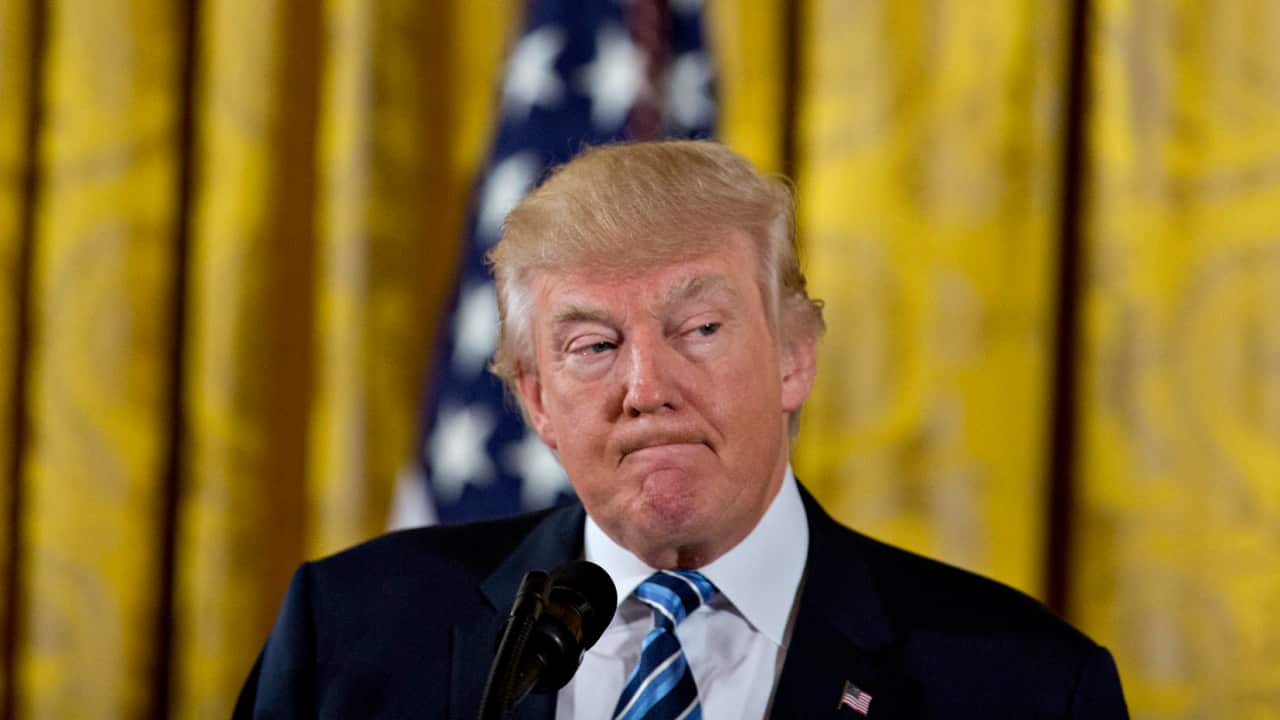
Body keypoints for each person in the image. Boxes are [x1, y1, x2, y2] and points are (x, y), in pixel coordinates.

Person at [235, 140, 1128, 718]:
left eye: (700, 330)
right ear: (537, 400)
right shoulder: (349, 640)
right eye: (593, 343)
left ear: (794, 359)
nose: (646, 386)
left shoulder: (1030, 689)